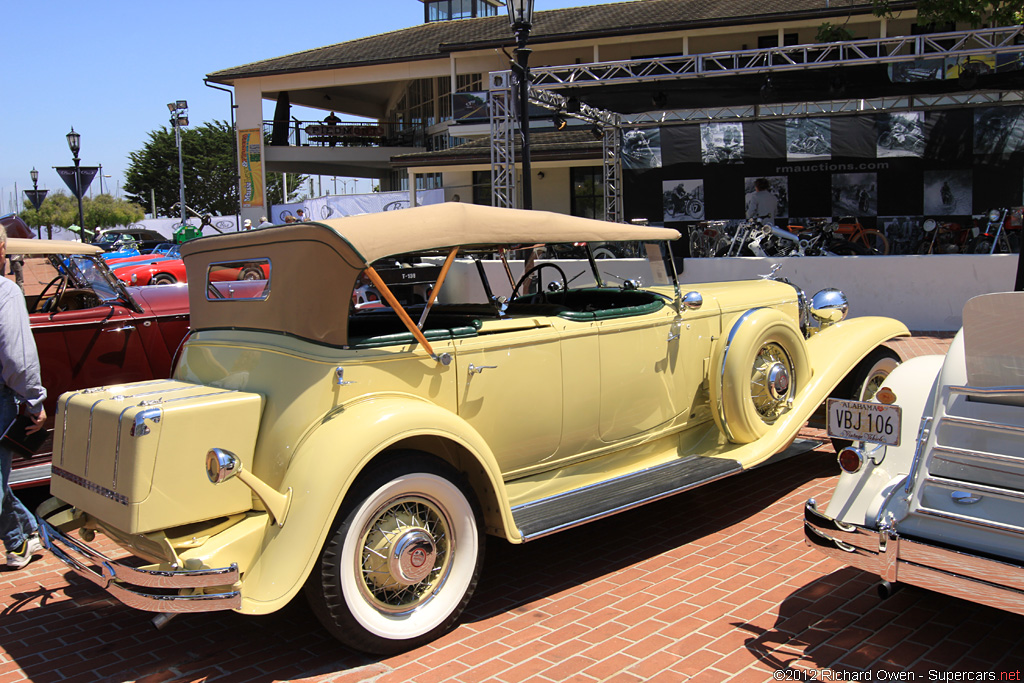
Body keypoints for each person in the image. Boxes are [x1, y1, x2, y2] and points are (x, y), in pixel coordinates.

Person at [0, 224, 46, 570]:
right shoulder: (6, 292)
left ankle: (22, 537)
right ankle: (24, 535)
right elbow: (18, 357)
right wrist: (34, 401)